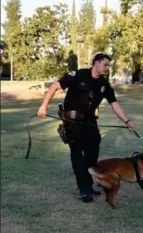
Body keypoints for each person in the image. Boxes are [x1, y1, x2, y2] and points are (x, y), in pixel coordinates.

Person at [37, 53, 135, 202]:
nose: (107, 68)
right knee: (77, 156)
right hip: (72, 122)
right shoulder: (78, 75)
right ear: (96, 63)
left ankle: (88, 186)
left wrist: (127, 121)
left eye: (108, 65)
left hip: (90, 123)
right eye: (105, 64)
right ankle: (83, 189)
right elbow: (54, 87)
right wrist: (43, 106)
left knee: (92, 154)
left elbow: (114, 104)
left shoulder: (104, 84)